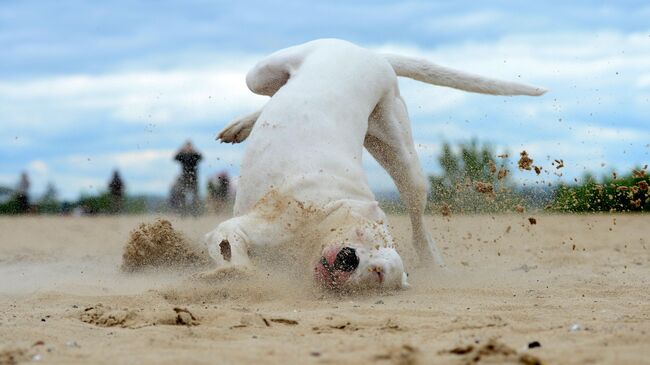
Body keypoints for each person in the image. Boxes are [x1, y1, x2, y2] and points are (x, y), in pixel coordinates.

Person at [172, 141, 203, 215]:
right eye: (187, 146)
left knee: (195, 196)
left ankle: (195, 213)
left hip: (194, 178)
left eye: (189, 146)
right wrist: (181, 149)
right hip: (184, 178)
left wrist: (194, 150)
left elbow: (201, 157)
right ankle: (183, 212)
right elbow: (175, 157)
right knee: (182, 195)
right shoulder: (183, 156)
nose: (188, 148)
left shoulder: (194, 155)